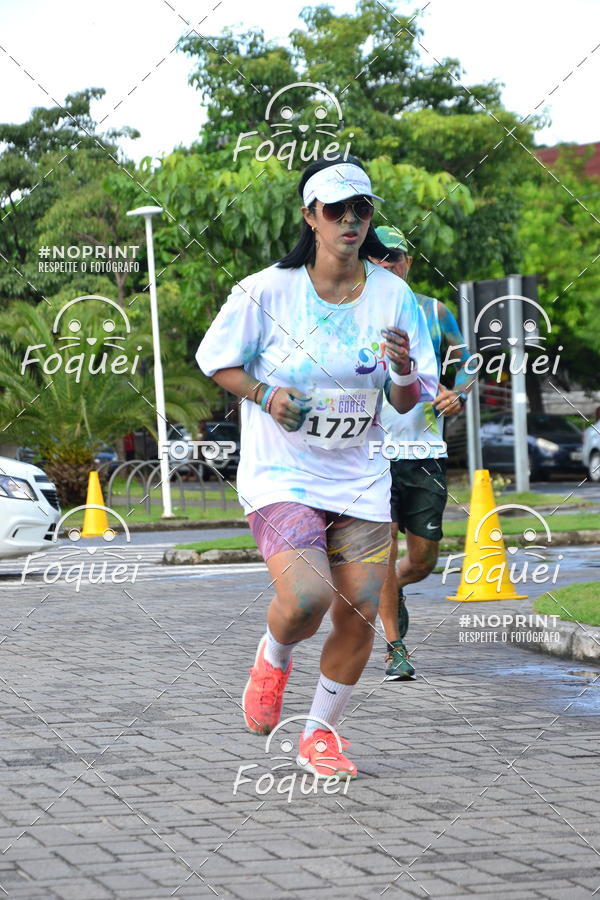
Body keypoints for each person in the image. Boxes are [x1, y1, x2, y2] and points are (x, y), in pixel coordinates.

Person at [196, 157, 438, 779]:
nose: (351, 220)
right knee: (305, 599)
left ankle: (320, 733)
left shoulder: (393, 295)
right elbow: (214, 359)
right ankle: (274, 656)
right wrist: (265, 395)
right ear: (311, 217)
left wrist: (405, 368)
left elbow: (408, 400)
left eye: (362, 209)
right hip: (282, 473)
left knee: (357, 606)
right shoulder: (267, 291)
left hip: (360, 474)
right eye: (337, 210)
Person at [369, 226, 471, 680]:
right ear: (369, 262)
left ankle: (388, 590)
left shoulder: (433, 310)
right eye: (381, 258)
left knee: (424, 560)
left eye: (397, 257)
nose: (390, 264)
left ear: (408, 261)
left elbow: (468, 359)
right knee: (384, 551)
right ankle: (396, 648)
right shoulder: (353, 314)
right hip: (373, 453)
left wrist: (458, 393)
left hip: (426, 448)